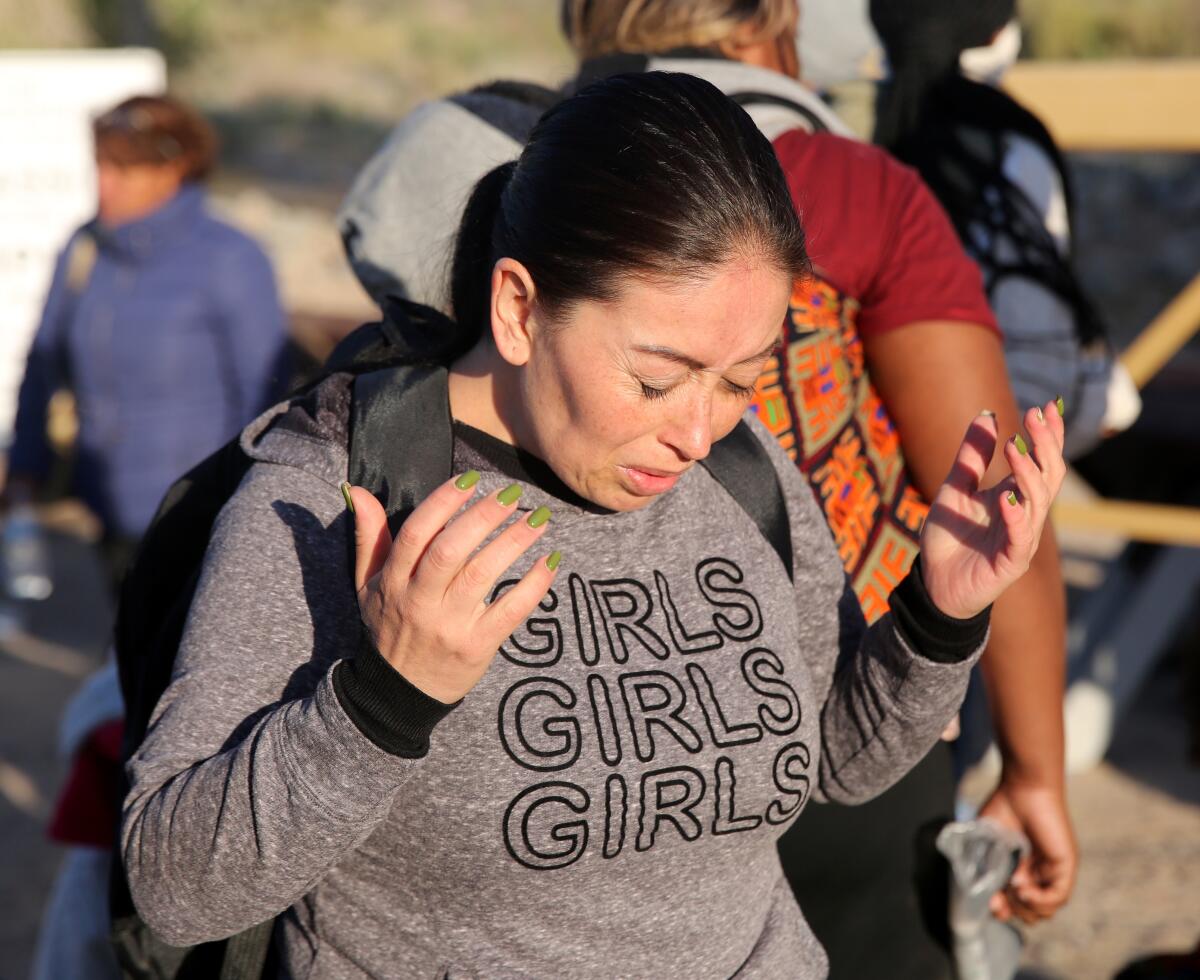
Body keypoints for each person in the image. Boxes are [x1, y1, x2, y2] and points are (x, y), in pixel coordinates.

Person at [121, 72, 1066, 979]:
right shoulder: (335, 497)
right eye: (656, 379)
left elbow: (834, 765)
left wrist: (937, 620)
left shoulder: (744, 472)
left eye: (741, 379)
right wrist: (385, 699)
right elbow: (176, 888)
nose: (698, 432)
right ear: (520, 309)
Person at [11, 93, 288, 980]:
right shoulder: (85, 250)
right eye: (103, 162)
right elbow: (44, 360)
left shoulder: (229, 260)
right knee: (123, 697)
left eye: (129, 165)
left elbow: (269, 395)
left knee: (178, 707)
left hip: (203, 534)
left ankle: (172, 891)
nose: (109, 183)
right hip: (110, 522)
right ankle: (125, 861)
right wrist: (21, 467)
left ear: (178, 168)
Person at [869, 0, 1140, 461]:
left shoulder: (861, 121)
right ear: (994, 36)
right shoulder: (1011, 137)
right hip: (999, 430)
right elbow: (1044, 303)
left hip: (880, 425)